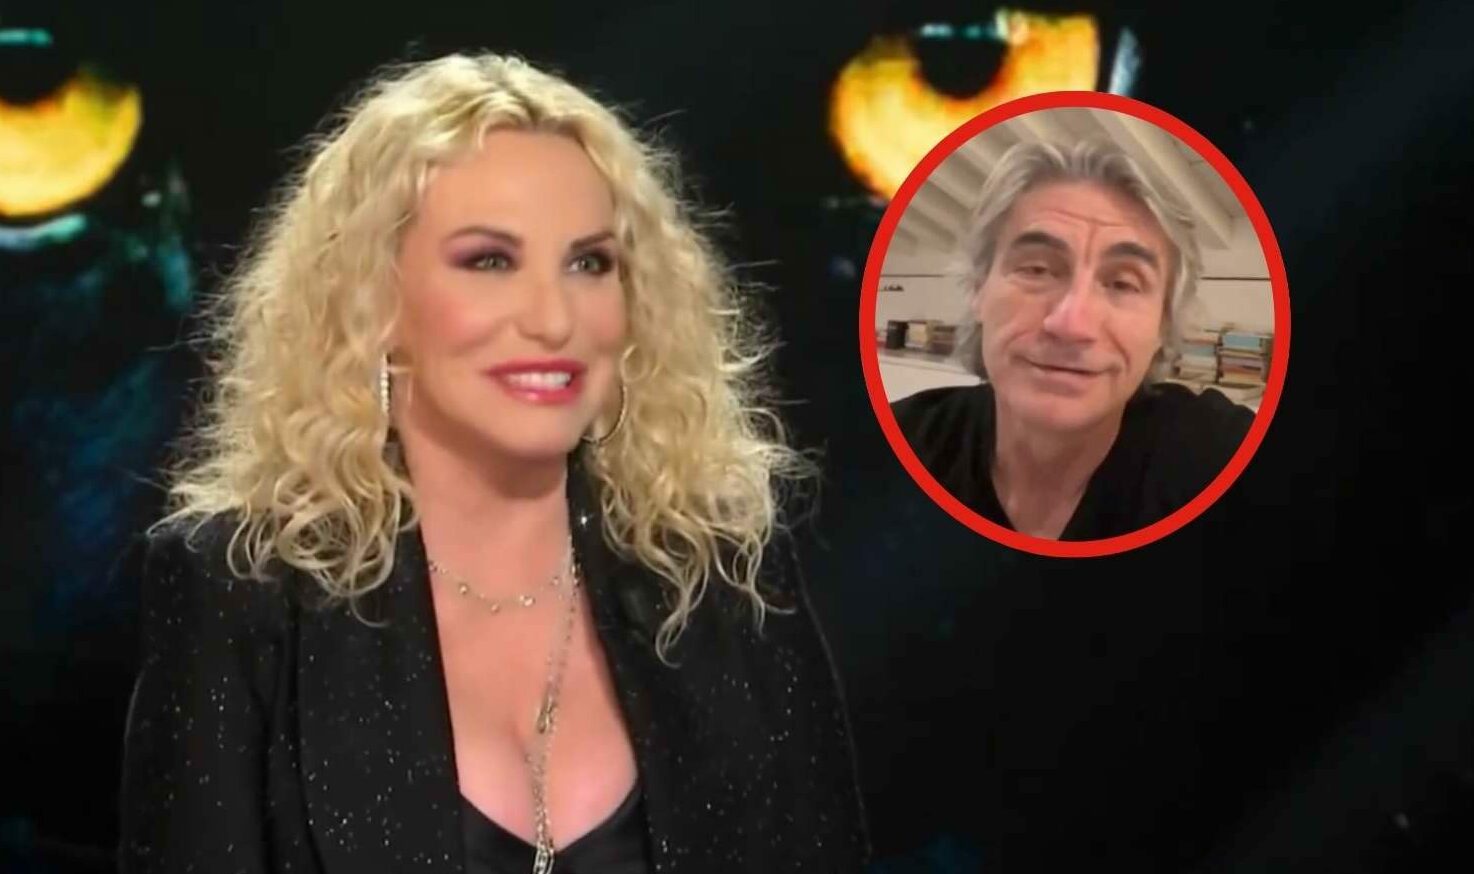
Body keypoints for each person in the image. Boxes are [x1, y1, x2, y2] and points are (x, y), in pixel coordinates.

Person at [118, 53, 868, 873]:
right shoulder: (242, 592)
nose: (554, 319)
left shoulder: (726, 579)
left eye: (590, 263)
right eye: (489, 261)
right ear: (375, 299)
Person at [892, 138, 1255, 541]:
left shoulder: (1218, 452)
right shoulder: (896, 443)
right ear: (978, 290)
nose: (1071, 324)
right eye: (1036, 269)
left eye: (1123, 283)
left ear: (1162, 327)